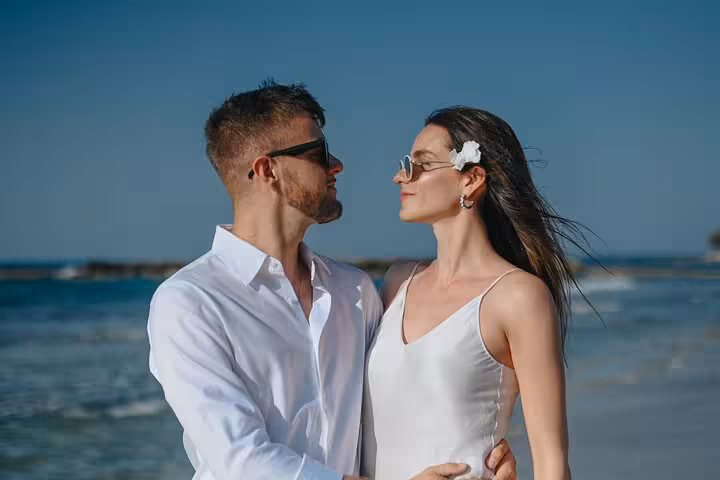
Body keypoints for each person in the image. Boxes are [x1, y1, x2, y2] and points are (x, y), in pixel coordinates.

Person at [147, 82, 517, 480]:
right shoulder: (189, 303)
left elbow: (406, 395)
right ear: (266, 169)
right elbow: (240, 459)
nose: (336, 164)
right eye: (319, 153)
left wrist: (478, 447)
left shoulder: (354, 291)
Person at [362, 107, 576, 480]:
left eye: (421, 165)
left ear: (471, 179)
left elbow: (552, 464)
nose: (400, 177)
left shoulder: (518, 297)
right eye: (405, 164)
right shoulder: (398, 283)